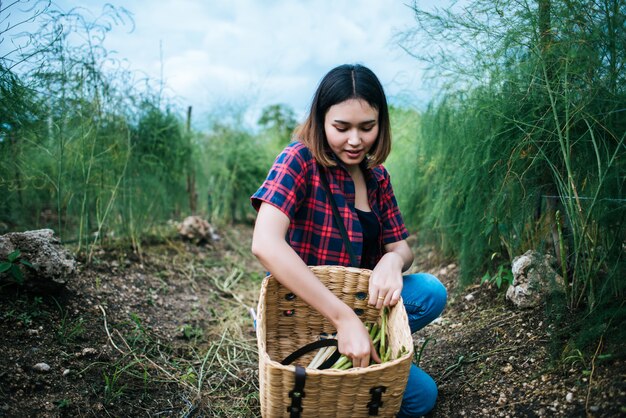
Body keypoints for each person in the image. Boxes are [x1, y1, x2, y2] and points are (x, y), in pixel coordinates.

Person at [250, 63, 447, 417]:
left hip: (359, 306)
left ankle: (345, 363)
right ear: (321, 121)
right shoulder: (298, 160)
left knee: (430, 294)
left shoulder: (377, 177)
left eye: (367, 127)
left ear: (380, 125)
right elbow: (265, 243)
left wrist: (392, 261)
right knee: (417, 397)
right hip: (302, 311)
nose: (355, 140)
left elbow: (401, 247)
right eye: (341, 127)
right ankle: (328, 362)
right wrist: (343, 319)